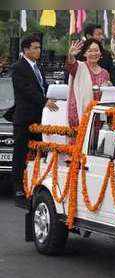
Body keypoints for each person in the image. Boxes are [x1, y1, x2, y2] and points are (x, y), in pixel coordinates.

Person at [8, 35, 58, 205]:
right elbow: (27, 90)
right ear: (26, 49)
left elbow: (42, 87)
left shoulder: (38, 67)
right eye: (35, 48)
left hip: (39, 118)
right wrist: (45, 101)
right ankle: (18, 188)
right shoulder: (18, 68)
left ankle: (36, 183)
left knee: (40, 152)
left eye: (39, 47)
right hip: (24, 118)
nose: (39, 50)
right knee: (20, 153)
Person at [66, 39, 111, 128]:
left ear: (100, 53)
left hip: (98, 115)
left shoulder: (105, 73)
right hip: (79, 114)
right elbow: (71, 64)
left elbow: (107, 95)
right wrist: (71, 55)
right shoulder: (79, 67)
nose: (94, 53)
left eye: (96, 50)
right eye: (90, 51)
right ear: (84, 54)